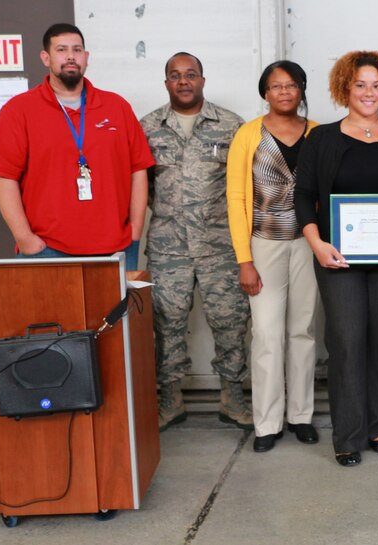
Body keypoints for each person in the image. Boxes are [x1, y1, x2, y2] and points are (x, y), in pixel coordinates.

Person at [293, 51, 378, 467]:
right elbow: (303, 196)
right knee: (347, 343)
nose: (369, 93)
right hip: (338, 259)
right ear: (344, 89)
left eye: (376, 85)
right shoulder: (322, 139)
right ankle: (347, 436)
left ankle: (377, 427)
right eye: (360, 85)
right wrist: (317, 244)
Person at [139, 52, 252, 432]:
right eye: (175, 75)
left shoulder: (231, 126)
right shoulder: (148, 127)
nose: (183, 81)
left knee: (230, 321)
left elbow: (246, 188)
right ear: (166, 82)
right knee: (166, 323)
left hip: (220, 246)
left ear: (203, 80)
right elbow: (141, 187)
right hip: (168, 245)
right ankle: (170, 400)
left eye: (191, 74)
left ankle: (232, 398)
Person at [0, 23, 152, 272]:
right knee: (48, 314)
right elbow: (2, 175)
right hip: (47, 249)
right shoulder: (19, 110)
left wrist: (135, 230)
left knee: (114, 313)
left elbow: (138, 169)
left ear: (86, 57)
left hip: (116, 248)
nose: (71, 56)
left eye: (77, 49)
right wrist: (25, 239)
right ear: (46, 57)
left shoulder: (117, 107)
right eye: (61, 50)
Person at [227, 60, 320, 453]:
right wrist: (244, 259)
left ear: (301, 89)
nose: (284, 92)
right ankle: (267, 422)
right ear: (265, 92)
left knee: (303, 330)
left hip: (309, 243)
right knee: (266, 333)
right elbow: (235, 198)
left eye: (291, 85)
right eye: (275, 86)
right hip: (263, 243)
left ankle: (301, 415)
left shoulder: (319, 134)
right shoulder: (248, 135)